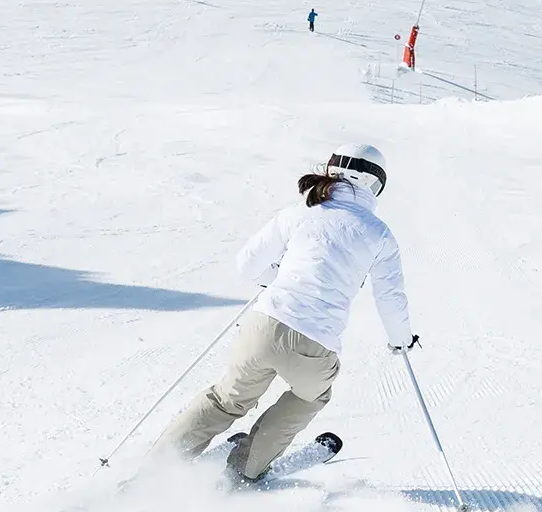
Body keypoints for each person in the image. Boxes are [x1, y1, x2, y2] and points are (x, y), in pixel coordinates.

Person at [156, 142, 418, 482]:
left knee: (226, 399)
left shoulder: (301, 211)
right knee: (311, 395)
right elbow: (390, 298)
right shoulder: (379, 233)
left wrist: (277, 282)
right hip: (314, 343)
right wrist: (401, 341)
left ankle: (158, 469)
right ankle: (245, 467)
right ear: (374, 184)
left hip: (264, 325)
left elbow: (248, 265)